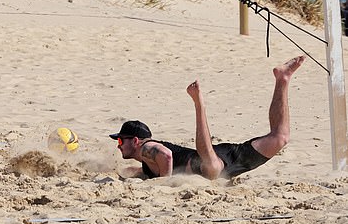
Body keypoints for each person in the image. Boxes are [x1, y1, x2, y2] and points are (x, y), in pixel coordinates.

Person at [110, 55, 305, 179]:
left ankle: (199, 105)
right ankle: (283, 79)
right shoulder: (145, 162)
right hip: (229, 161)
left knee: (211, 168)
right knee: (280, 138)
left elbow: (166, 155)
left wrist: (165, 183)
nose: (118, 144)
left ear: (135, 140)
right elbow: (146, 169)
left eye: (120, 140)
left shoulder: (147, 147)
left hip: (206, 162)